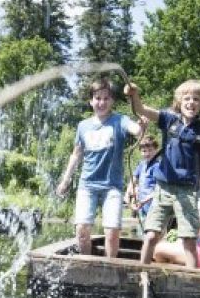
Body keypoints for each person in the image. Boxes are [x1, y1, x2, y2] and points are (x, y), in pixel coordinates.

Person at [124, 79, 200, 267]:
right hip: (163, 188)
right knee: (151, 236)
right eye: (187, 98)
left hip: (187, 192)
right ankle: (142, 273)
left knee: (189, 240)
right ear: (179, 101)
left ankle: (192, 280)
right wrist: (133, 95)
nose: (191, 102)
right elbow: (142, 110)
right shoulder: (168, 119)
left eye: (196, 99)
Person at [57, 77, 142, 258]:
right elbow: (76, 154)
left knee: (111, 232)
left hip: (112, 186)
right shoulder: (83, 126)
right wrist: (66, 180)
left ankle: (110, 268)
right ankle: (87, 265)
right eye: (97, 98)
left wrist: (141, 123)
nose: (101, 102)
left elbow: (137, 131)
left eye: (106, 98)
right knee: (81, 229)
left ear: (112, 101)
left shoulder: (120, 120)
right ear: (91, 101)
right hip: (87, 185)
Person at [125, 132, 161, 236]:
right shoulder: (142, 164)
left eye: (150, 150)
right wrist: (127, 194)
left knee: (153, 233)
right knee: (142, 232)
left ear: (156, 150)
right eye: (144, 151)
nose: (147, 153)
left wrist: (144, 201)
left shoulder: (158, 166)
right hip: (141, 206)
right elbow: (134, 179)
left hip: (153, 205)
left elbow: (159, 189)